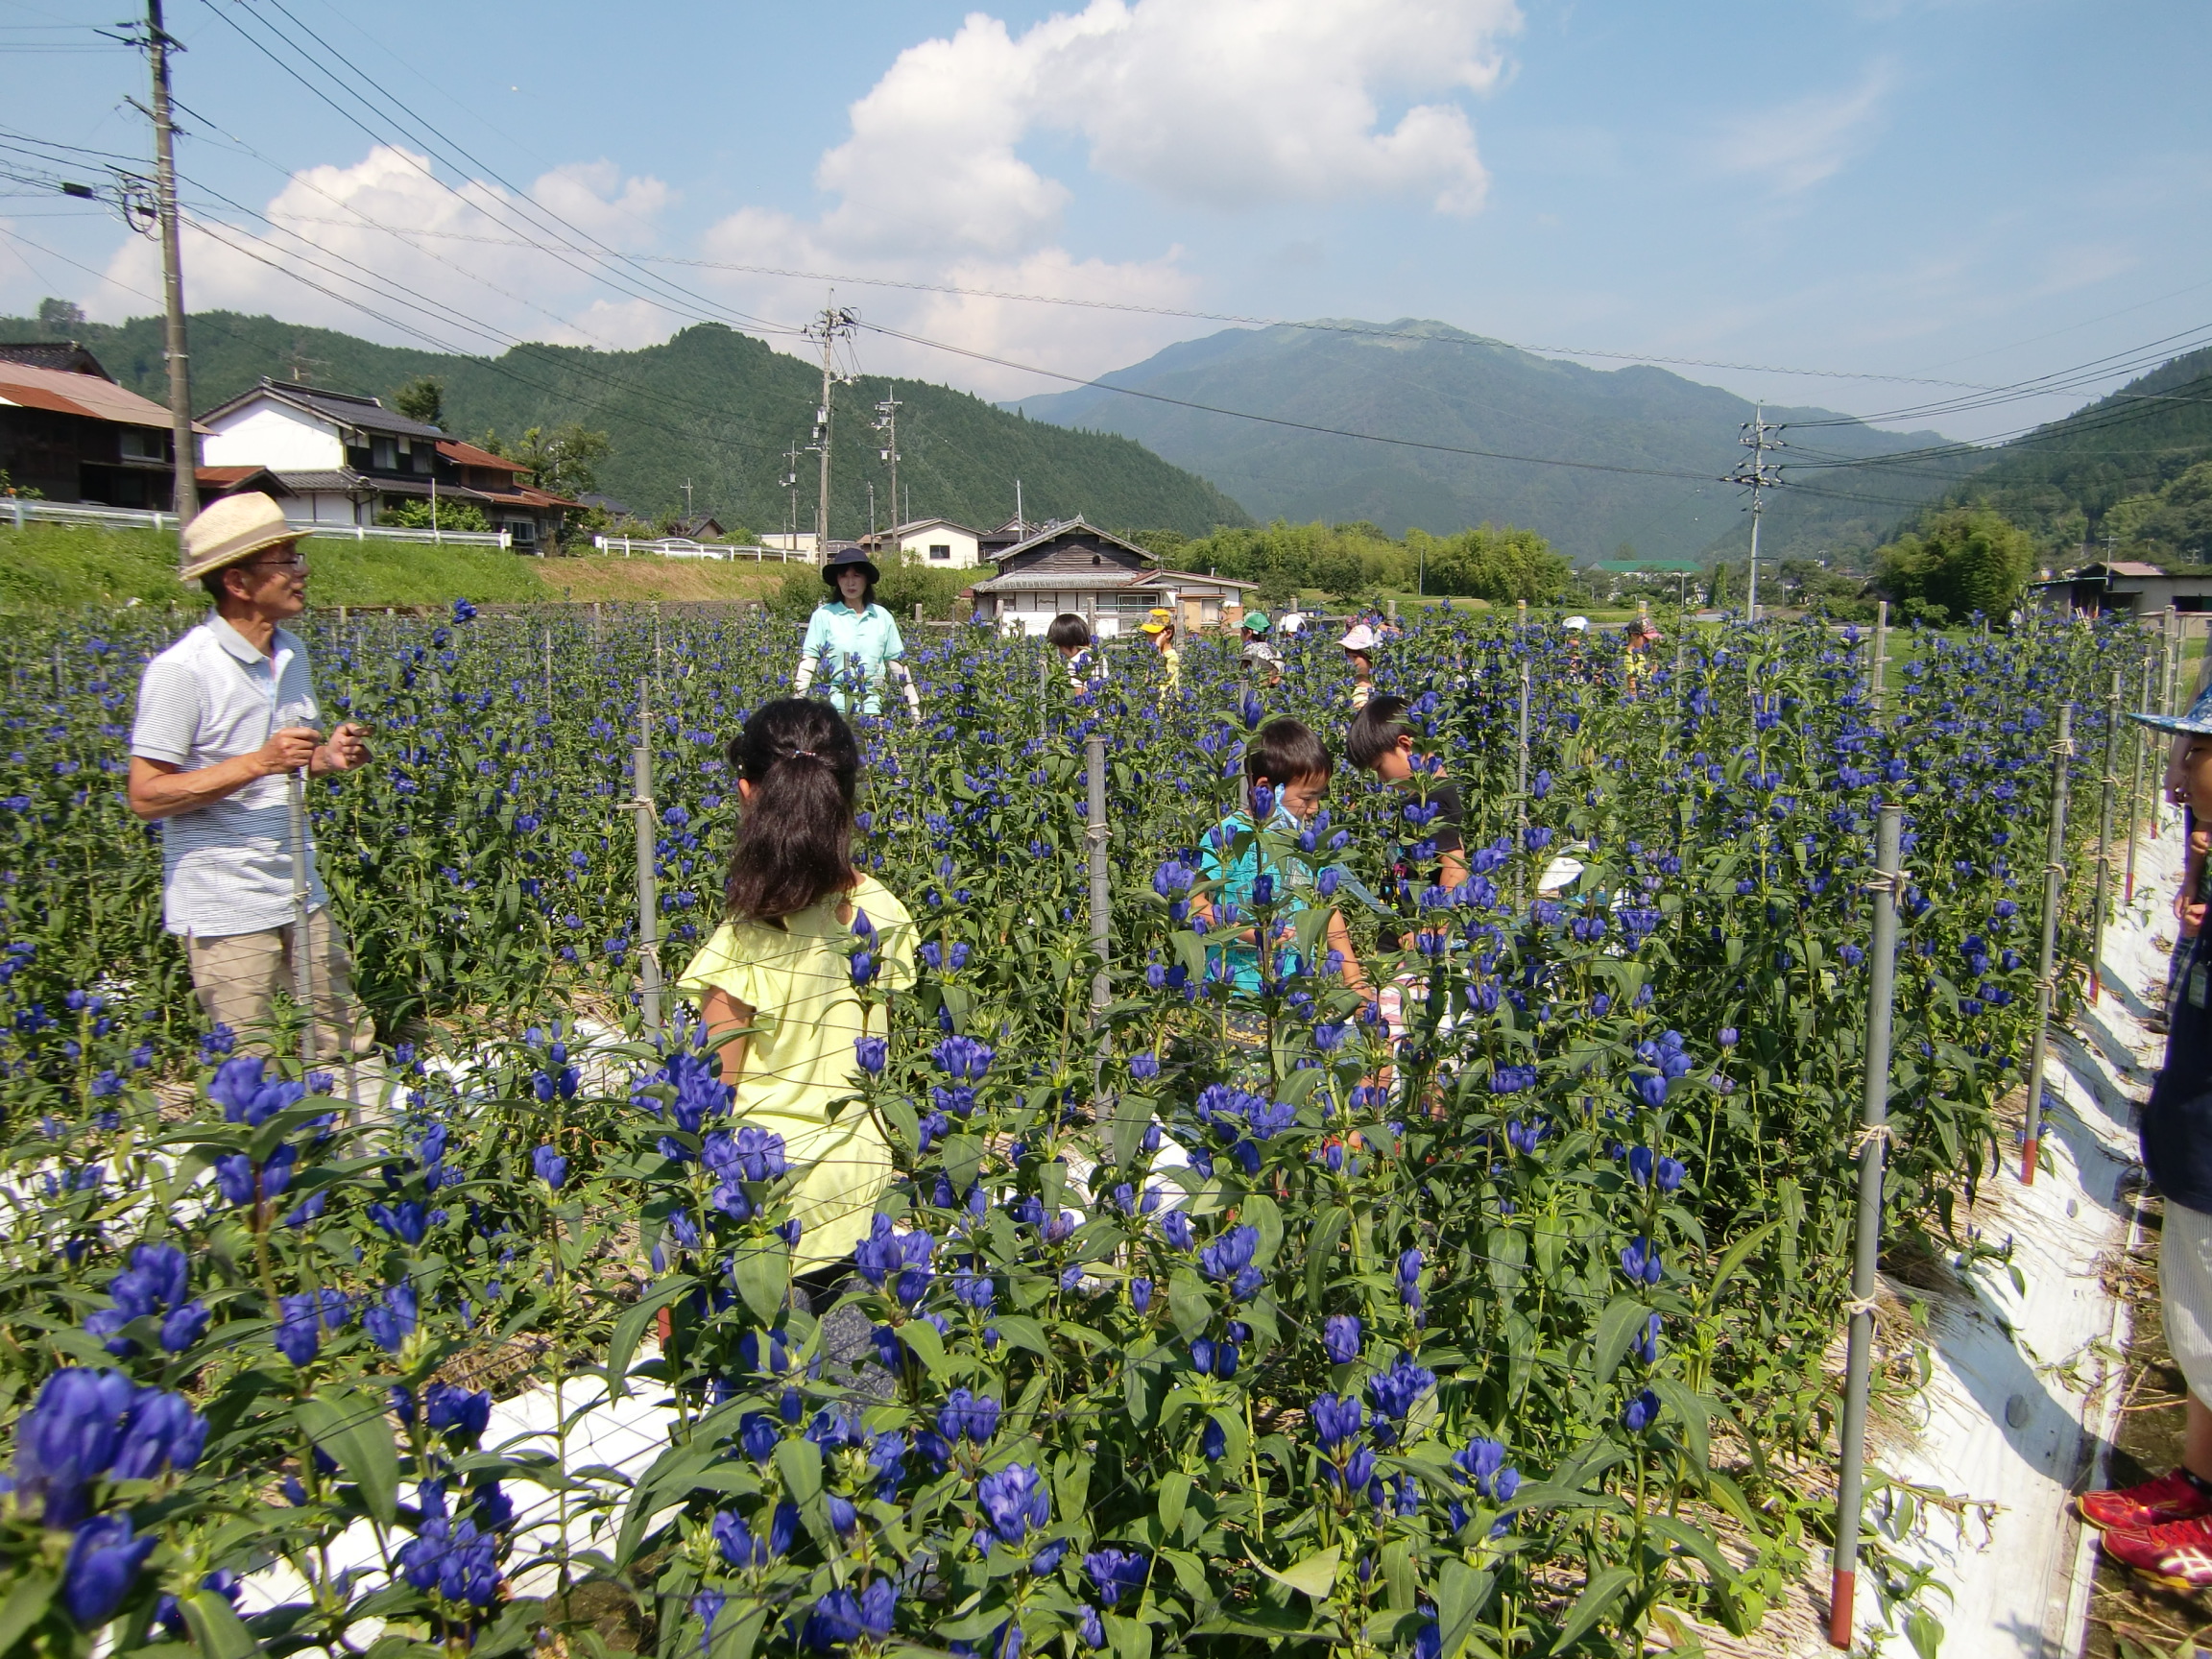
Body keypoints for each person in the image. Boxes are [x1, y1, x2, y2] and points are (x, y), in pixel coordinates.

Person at [127, 493, 375, 1056]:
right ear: (238, 582)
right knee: (248, 1058)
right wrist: (259, 761)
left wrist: (329, 756)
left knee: (344, 1041)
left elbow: (296, 758)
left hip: (296, 886)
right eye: (285, 561)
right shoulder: (181, 671)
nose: (301, 570)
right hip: (226, 905)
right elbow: (145, 795)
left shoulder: (293, 655)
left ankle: (352, 1141)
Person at [679, 698, 917, 1273]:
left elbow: (712, 1098)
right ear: (847, 797)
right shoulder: (883, 910)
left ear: (746, 793)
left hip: (767, 1204)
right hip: (863, 1187)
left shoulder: (746, 938)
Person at [2081, 685, 2212, 1585]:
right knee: (2198, 1323)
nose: (2171, 779)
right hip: (2196, 1142)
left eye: (2188, 756)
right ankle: (2198, 1481)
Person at [1189, 717, 1371, 1013]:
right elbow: (1196, 901)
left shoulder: (1307, 842)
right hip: (1235, 989)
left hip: (1299, 985)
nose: (1314, 809)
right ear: (1265, 788)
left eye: (1319, 798)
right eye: (1307, 798)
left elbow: (1328, 911)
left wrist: (1353, 977)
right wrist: (1246, 931)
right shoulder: (1225, 836)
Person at [1347, 694, 1472, 952]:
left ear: (1406, 746)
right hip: (1400, 931)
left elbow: (1455, 868)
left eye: (1379, 767)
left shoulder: (1435, 798)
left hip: (1417, 942)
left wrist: (1431, 927)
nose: (1380, 778)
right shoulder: (1417, 798)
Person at [795, 543, 922, 721]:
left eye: (856, 575)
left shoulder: (882, 616)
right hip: (834, 709)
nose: (850, 582)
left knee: (873, 748)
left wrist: (914, 708)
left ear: (866, 579)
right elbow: (810, 660)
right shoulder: (824, 615)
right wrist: (796, 702)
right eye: (844, 576)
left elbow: (896, 663)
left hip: (874, 706)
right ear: (837, 581)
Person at [1046, 612, 1108, 690]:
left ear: (1068, 641)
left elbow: (1079, 693)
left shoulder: (1075, 662)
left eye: (1060, 646)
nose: (1061, 651)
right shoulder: (1099, 655)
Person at [1140, 607, 1180, 700]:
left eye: (1153, 634)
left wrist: (1157, 646)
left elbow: (1166, 689)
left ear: (1168, 633)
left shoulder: (1171, 657)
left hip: (1164, 710)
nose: (1149, 638)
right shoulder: (1158, 655)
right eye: (1147, 633)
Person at [1338, 623, 1379, 710]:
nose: (1349, 661)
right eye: (1347, 656)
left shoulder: (1381, 690)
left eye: (1355, 657)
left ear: (1371, 658)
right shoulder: (1343, 687)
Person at [1623, 615, 1663, 697]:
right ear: (1634, 635)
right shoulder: (1629, 656)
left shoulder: (1644, 653)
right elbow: (1631, 681)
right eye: (1646, 639)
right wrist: (1634, 698)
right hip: (1641, 695)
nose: (1649, 642)